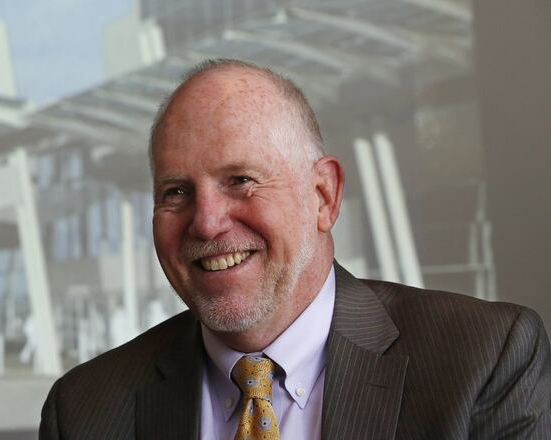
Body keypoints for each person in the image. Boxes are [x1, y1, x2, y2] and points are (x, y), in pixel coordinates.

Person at [39, 59, 550, 439]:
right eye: (176, 191)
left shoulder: (483, 360)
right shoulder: (84, 411)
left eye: (240, 180)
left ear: (323, 197)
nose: (208, 221)